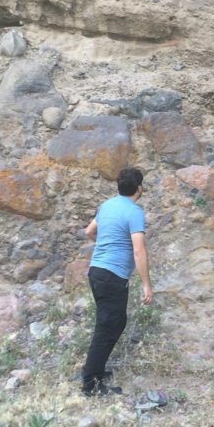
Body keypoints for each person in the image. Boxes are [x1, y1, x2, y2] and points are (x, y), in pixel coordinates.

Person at [81, 167, 153, 397]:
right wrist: (145, 285)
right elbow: (139, 250)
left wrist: (104, 243)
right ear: (139, 188)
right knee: (107, 326)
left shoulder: (107, 206)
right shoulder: (134, 212)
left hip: (98, 272)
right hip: (112, 276)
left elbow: (89, 232)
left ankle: (96, 369)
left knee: (116, 322)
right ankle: (90, 383)